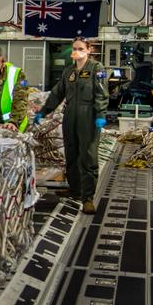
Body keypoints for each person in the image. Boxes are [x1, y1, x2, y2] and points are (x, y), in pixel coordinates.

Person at [34, 36, 108, 214]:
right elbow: (57, 93)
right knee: (71, 154)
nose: (76, 51)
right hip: (70, 116)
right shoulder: (69, 71)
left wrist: (100, 114)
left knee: (88, 157)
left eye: (81, 48)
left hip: (88, 116)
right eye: (74, 48)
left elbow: (101, 93)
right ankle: (75, 190)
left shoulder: (97, 69)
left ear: (89, 50)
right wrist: (44, 111)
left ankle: (88, 198)